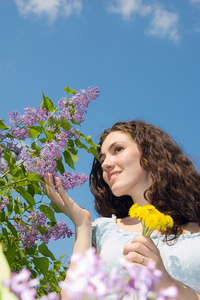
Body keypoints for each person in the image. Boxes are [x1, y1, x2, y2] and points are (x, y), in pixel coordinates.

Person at [45, 120, 200, 300]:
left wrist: (167, 284)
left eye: (118, 149)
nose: (105, 164)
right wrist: (82, 225)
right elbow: (73, 296)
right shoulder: (103, 231)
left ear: (151, 152)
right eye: (102, 159)